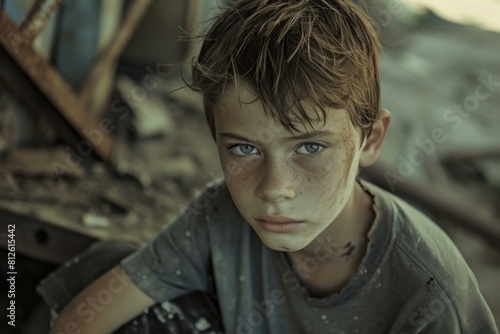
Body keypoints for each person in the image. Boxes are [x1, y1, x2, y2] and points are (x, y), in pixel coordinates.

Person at [44, 0, 498, 333]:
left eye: (310, 148)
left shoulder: (428, 293)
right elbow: (78, 324)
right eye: (244, 149)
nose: (274, 189)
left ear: (370, 139)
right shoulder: (219, 216)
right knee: (111, 269)